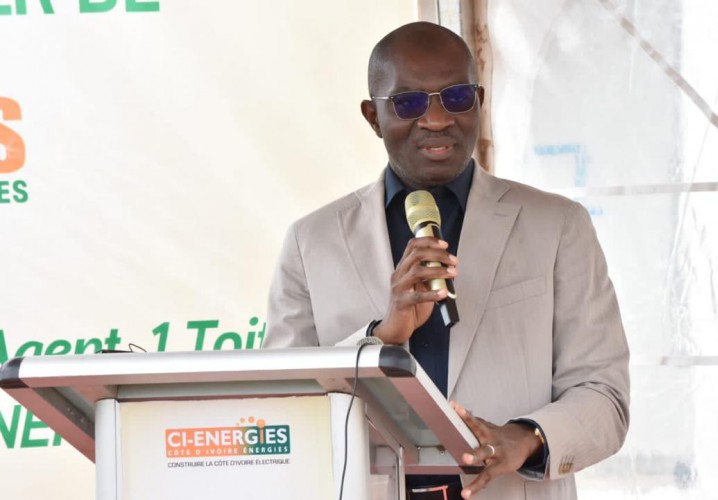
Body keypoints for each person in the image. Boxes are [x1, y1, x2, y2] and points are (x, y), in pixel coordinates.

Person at [264, 21, 629, 500]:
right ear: (373, 117)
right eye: (409, 102)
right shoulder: (312, 241)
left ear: (479, 100)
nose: (436, 120)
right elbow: (284, 406)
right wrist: (382, 337)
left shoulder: (558, 225)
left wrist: (524, 438)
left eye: (456, 97)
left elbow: (604, 395)